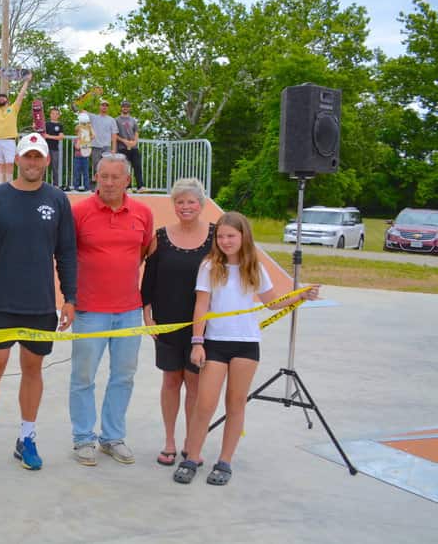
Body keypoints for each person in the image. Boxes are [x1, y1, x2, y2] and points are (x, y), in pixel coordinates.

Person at [174, 212, 320, 486]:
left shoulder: (254, 268)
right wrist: (197, 342)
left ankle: (225, 461)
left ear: (243, 237)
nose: (226, 241)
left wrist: (300, 295)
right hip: (215, 344)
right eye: (221, 236)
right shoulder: (209, 267)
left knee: (236, 403)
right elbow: (201, 306)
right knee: (205, 404)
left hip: (246, 345)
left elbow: (272, 303)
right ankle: (192, 456)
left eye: (231, 236)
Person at [0, 133, 77, 472]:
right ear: (16, 160)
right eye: (26, 156)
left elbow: (66, 252)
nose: (31, 162)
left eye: (37, 157)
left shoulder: (57, 200)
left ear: (46, 161)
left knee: (33, 370)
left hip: (40, 305)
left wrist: (70, 298)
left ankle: (27, 437)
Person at [69, 153, 153, 466]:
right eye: (103, 176)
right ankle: (83, 438)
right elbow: (66, 256)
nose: (108, 182)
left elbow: (144, 251)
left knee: (123, 377)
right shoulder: (79, 213)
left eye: (115, 177)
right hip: (90, 311)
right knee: (83, 377)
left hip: (129, 310)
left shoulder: (143, 213)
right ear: (96, 177)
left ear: (127, 180)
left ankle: (112, 437)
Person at [140, 178, 214, 466]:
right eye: (180, 202)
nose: (185, 207)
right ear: (174, 205)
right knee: (171, 380)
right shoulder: (160, 236)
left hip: (203, 324)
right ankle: (170, 441)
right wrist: (146, 310)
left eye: (191, 201)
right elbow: (150, 277)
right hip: (167, 320)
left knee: (195, 384)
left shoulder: (216, 236)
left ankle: (190, 442)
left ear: (201, 204)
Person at [0, 73, 32, 184]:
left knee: (10, 163)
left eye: (3, 97)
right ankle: (1, 185)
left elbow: (21, 95)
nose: (1, 99)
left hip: (9, 140)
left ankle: (9, 184)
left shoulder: (13, 108)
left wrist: (26, 81)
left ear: (7, 100)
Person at [86, 100, 117, 185]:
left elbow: (114, 135)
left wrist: (114, 149)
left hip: (106, 147)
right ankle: (96, 187)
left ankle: (105, 185)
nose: (104, 107)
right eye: (103, 105)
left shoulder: (111, 120)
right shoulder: (93, 117)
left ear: (108, 108)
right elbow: (82, 112)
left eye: (106, 105)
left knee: (106, 167)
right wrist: (81, 101)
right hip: (95, 146)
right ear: (99, 106)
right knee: (96, 167)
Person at [114, 100, 144, 191]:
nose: (125, 108)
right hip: (122, 147)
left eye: (127, 106)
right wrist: (124, 141)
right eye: (124, 106)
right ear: (121, 108)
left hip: (133, 147)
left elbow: (136, 132)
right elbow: (114, 134)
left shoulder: (133, 120)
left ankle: (140, 186)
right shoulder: (117, 120)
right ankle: (128, 187)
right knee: (125, 168)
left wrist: (135, 141)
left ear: (129, 108)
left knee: (137, 166)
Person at [44, 106, 65, 189]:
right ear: (50, 114)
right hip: (45, 149)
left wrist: (48, 136)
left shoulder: (60, 125)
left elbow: (61, 137)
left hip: (55, 149)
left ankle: (56, 186)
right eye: (53, 113)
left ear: (59, 115)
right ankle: (41, 185)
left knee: (55, 168)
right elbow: (41, 134)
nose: (54, 115)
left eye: (56, 114)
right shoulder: (46, 124)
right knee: (43, 167)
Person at [72, 113, 94, 192]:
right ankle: (75, 187)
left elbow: (93, 136)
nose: (80, 133)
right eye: (79, 132)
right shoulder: (76, 139)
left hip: (85, 157)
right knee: (76, 173)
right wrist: (79, 139)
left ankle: (87, 188)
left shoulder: (87, 139)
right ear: (76, 133)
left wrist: (90, 127)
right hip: (77, 158)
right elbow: (77, 147)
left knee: (86, 173)